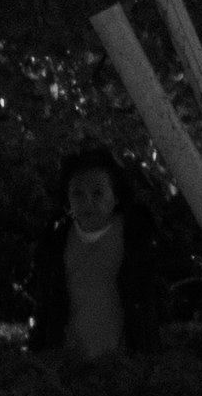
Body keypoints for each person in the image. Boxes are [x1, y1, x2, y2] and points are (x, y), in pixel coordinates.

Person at [26, 148, 165, 361]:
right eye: (78, 194)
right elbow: (45, 302)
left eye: (98, 193)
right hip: (68, 360)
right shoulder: (56, 239)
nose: (88, 202)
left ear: (116, 196)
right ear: (67, 199)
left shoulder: (134, 236)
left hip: (123, 362)